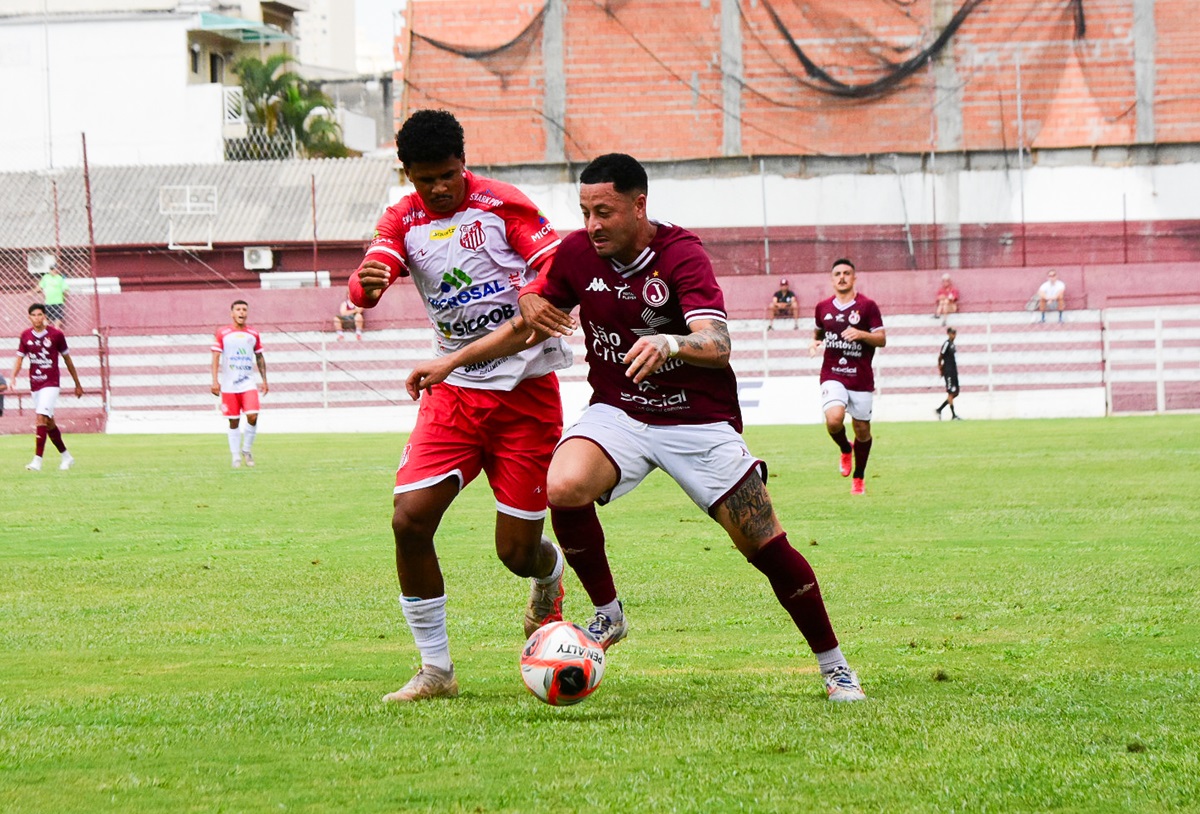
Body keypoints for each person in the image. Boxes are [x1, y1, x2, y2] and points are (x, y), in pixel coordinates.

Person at [506, 153, 866, 702]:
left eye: (604, 211)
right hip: (620, 411)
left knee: (763, 543)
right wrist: (505, 318)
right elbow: (536, 305)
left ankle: (835, 666)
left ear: (638, 204)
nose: (592, 224)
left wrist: (672, 342)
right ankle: (608, 614)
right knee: (563, 486)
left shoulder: (681, 255)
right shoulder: (578, 253)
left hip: (696, 419)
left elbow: (718, 346)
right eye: (584, 211)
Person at [349, 109, 571, 703]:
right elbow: (376, 267)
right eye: (426, 180)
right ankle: (436, 671)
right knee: (408, 519)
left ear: (463, 162)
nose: (440, 188)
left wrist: (534, 288)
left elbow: (552, 265)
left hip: (526, 395)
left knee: (516, 554)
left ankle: (549, 577)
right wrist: (366, 285)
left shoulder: (502, 205)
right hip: (454, 395)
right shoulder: (403, 217)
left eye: (448, 174)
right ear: (408, 175)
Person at [809, 258, 887, 496]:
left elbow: (881, 339)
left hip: (861, 377)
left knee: (862, 430)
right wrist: (815, 341)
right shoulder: (822, 307)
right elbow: (819, 330)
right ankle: (845, 448)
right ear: (832, 279)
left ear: (854, 278)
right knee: (834, 419)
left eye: (846, 273)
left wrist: (862, 334)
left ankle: (859, 477)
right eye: (837, 274)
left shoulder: (868, 306)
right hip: (833, 373)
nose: (842, 277)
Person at [5, 303, 83, 471]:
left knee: (40, 418)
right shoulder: (25, 336)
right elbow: (19, 359)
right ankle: (66, 457)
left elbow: (67, 359)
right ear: (29, 317)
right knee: (48, 423)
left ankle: (37, 461)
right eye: (34, 315)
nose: (37, 318)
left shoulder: (56, 335)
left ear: (45, 316)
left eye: (40, 315)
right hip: (36, 383)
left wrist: (77, 383)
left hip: (51, 383)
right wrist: (13, 377)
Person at [210, 300, 268, 469]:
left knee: (253, 415)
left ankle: (246, 450)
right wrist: (215, 381)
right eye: (238, 309)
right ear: (232, 313)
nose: (242, 312)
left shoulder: (253, 334)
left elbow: (259, 357)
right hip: (229, 385)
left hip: (247, 383)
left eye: (244, 310)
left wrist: (264, 380)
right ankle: (235, 456)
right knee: (233, 421)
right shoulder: (223, 333)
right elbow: (215, 357)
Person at [936, 327, 961, 420]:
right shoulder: (946, 344)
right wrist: (940, 369)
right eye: (952, 333)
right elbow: (940, 356)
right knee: (951, 392)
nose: (954, 335)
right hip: (948, 371)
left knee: (956, 393)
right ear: (948, 333)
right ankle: (953, 415)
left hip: (953, 371)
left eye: (955, 333)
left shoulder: (952, 344)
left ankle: (939, 409)